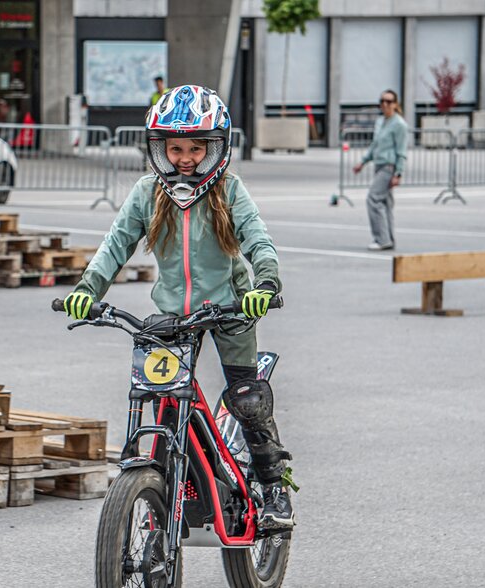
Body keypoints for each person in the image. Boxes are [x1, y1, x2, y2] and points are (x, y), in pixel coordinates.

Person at [62, 85, 295, 530]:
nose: (185, 158)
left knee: (247, 398)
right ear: (159, 149)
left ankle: (274, 489)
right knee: (164, 398)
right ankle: (168, 485)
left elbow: (258, 240)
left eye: (195, 148)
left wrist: (265, 282)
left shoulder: (229, 190)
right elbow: (116, 244)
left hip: (231, 308)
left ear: (215, 149)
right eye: (175, 148)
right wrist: (88, 289)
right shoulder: (147, 192)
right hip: (172, 315)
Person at [353, 89, 408, 251]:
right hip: (379, 165)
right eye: (382, 101)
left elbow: (401, 151)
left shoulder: (399, 124)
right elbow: (375, 145)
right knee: (385, 203)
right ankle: (388, 239)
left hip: (389, 166)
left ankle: (381, 239)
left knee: (373, 199)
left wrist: (398, 173)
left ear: (395, 104)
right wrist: (363, 162)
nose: (385, 104)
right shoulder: (380, 121)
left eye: (389, 101)